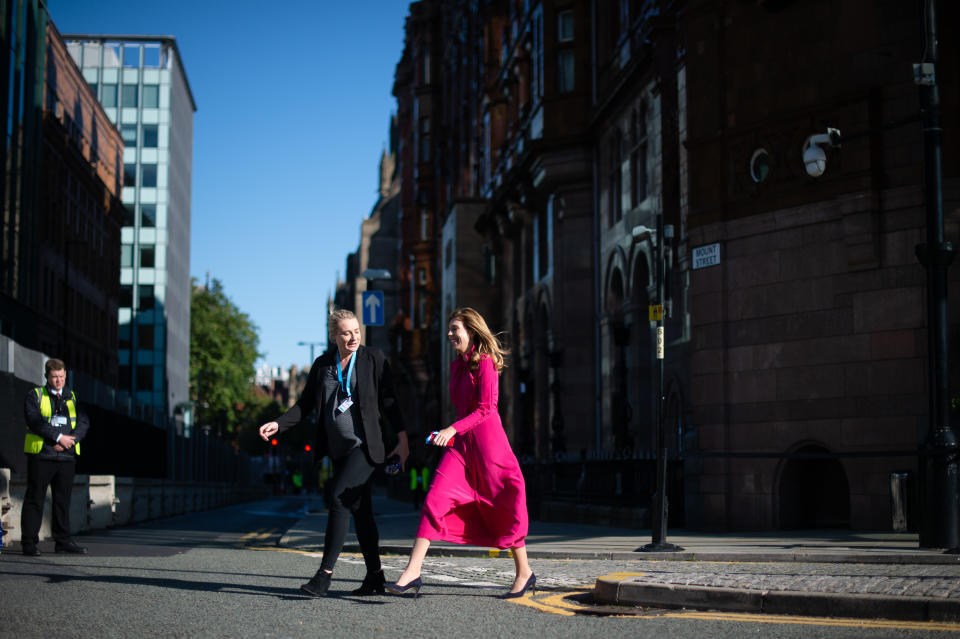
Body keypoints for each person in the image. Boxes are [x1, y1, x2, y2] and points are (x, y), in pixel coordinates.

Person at [387, 307, 534, 599]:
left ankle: (524, 572)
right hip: (462, 448)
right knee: (434, 498)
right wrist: (451, 432)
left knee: (501, 506)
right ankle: (413, 572)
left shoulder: (487, 363)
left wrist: (451, 429)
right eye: (450, 330)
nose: (451, 335)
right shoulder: (456, 366)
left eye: (455, 329)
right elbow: (463, 408)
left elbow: (486, 409)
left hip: (488, 446)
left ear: (471, 331)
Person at [259, 309, 408, 597]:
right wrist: (278, 423)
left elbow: (390, 401)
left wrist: (402, 440)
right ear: (333, 336)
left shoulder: (373, 358)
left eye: (356, 331)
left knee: (339, 499)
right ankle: (376, 577)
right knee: (362, 514)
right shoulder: (323, 365)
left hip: (365, 448)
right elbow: (304, 406)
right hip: (339, 451)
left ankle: (323, 576)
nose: (353, 337)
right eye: (345, 332)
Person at [21, 358, 90, 556]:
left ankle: (63, 541)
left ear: (66, 375)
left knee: (62, 501)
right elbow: (34, 421)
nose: (58, 381)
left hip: (66, 458)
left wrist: (72, 440)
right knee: (35, 498)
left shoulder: (73, 397)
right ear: (46, 377)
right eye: (54, 377)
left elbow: (84, 422)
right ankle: (29, 543)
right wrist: (58, 437)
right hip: (42, 455)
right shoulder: (34, 395)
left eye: (61, 376)